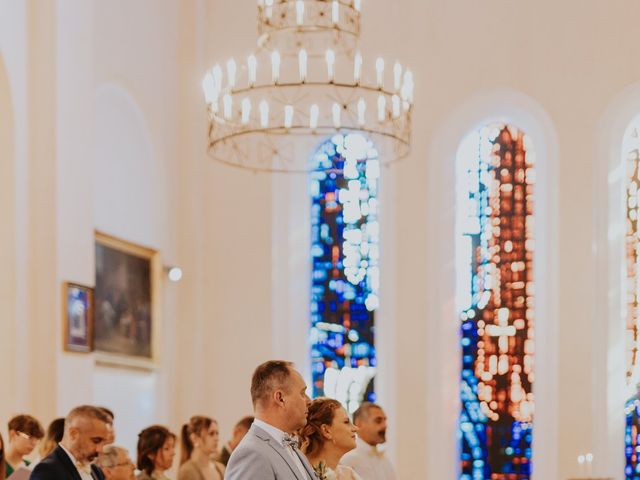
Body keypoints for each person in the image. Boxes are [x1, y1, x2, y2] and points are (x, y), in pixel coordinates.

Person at [225, 360, 315, 480]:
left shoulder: (292, 447)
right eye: (302, 393)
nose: (309, 401)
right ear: (280, 398)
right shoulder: (252, 453)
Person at [30, 405, 112, 480]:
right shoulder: (46, 470)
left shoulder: (95, 470)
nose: (100, 449)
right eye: (96, 441)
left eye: (104, 443)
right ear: (73, 434)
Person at [298, 398, 361, 480]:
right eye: (346, 422)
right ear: (326, 430)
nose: (356, 428)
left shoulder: (349, 475)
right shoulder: (301, 474)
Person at [341, 402, 397, 480]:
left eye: (385, 420)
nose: (385, 426)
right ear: (359, 424)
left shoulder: (384, 460)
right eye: (378, 421)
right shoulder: (349, 459)